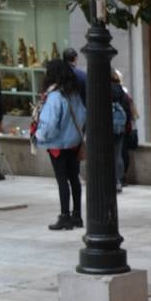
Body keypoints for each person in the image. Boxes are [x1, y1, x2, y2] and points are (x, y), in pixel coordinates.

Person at [34, 59, 87, 231]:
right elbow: (83, 115)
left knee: (62, 180)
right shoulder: (73, 93)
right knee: (74, 179)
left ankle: (64, 216)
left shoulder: (55, 95)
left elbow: (49, 123)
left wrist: (38, 135)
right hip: (74, 142)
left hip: (58, 145)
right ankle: (77, 215)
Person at [112, 69, 138, 188]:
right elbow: (129, 111)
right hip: (121, 127)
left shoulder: (104, 89)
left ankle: (112, 180)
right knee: (119, 155)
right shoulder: (123, 91)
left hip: (109, 127)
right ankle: (120, 180)